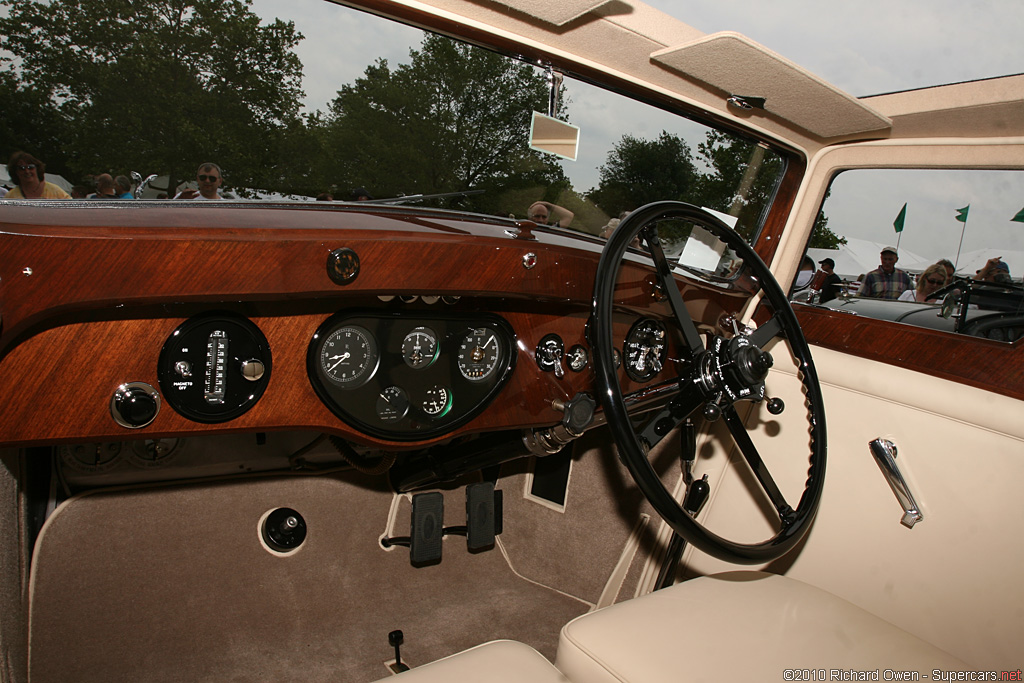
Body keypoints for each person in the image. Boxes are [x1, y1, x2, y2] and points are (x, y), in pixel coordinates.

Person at [4, 151, 71, 199]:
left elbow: (72, 211)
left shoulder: (56, 191)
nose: (27, 171)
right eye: (22, 168)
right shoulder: (10, 197)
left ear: (37, 168)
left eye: (31, 167)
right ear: (15, 172)